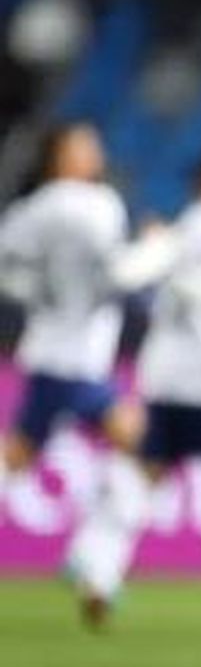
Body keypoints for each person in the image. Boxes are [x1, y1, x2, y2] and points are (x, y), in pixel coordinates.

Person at [64, 142, 201, 624]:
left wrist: (145, 253)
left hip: (165, 377)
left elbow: (163, 273)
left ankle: (99, 576)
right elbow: (197, 284)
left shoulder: (193, 222)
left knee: (144, 474)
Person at [0, 123, 157, 627]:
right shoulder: (95, 203)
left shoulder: (32, 209)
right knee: (146, 448)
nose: (96, 151)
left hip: (47, 353)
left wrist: (38, 295)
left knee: (17, 457)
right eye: (84, 144)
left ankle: (92, 564)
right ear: (60, 154)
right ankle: (94, 564)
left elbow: (8, 267)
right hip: (78, 362)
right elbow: (120, 274)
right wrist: (162, 247)